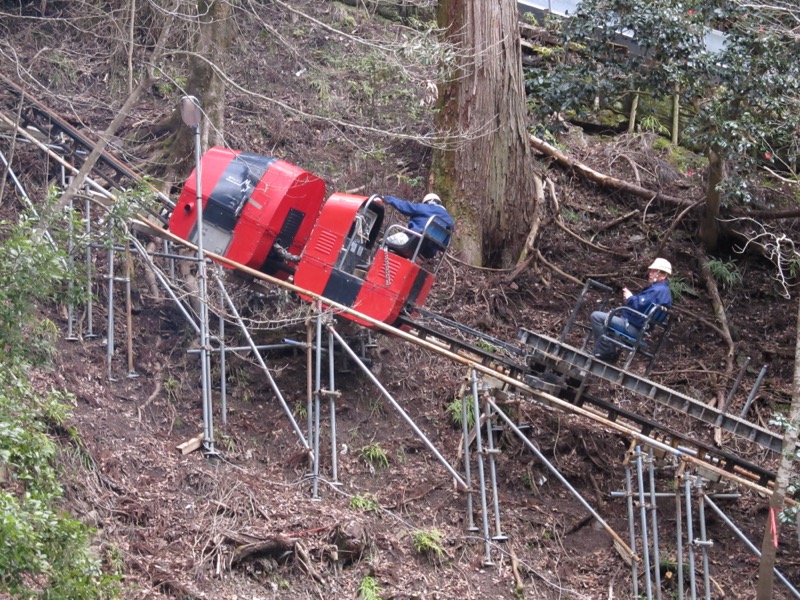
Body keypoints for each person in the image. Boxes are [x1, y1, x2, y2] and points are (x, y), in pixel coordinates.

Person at [590, 258, 673, 363]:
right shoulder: (663, 291)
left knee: (596, 317)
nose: (650, 274)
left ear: (663, 274)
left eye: (654, 271)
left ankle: (606, 352)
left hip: (634, 328)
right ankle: (608, 353)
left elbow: (639, 305)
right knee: (607, 317)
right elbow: (643, 308)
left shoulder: (658, 290)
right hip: (640, 328)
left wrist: (630, 298)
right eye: (650, 271)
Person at [382, 193, 454, 259]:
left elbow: (405, 206)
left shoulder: (426, 208)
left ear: (429, 202)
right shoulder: (450, 222)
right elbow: (443, 246)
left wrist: (387, 198)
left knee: (384, 242)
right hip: (426, 254)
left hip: (411, 243)